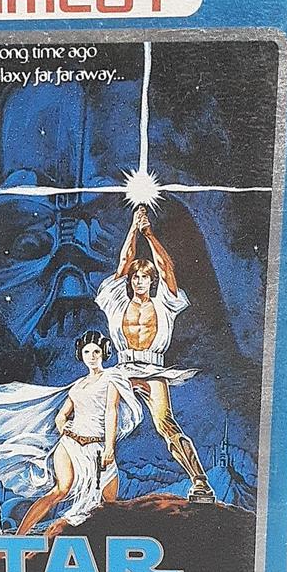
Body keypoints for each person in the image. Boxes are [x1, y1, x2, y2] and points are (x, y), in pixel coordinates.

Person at [0, 331, 142, 537]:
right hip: (70, 445)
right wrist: (64, 427)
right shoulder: (78, 385)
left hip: (97, 446)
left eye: (96, 351)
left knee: (110, 501)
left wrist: (109, 447)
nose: (92, 356)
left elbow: (112, 411)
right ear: (81, 354)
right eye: (87, 352)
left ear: (104, 353)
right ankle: (19, 537)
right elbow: (62, 415)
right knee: (60, 490)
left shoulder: (110, 379)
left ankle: (112, 541)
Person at [96, 205, 215, 503]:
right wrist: (133, 228)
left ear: (151, 281)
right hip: (123, 370)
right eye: (135, 277)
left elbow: (167, 268)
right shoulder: (116, 302)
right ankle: (93, 489)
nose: (139, 281)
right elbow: (124, 261)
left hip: (152, 371)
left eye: (144, 277)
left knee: (166, 423)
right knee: (100, 423)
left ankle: (200, 481)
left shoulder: (164, 303)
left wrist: (149, 234)